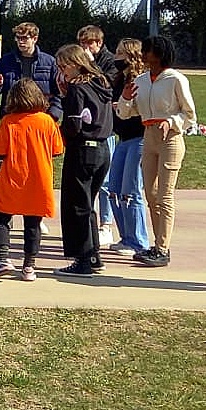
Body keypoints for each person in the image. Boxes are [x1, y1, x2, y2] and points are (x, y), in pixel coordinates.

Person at [115, 34, 197, 268]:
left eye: (149, 51)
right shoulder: (141, 80)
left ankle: (163, 247)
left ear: (159, 54)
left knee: (165, 194)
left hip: (170, 138)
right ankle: (156, 245)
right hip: (148, 136)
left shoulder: (175, 79)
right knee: (150, 193)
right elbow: (125, 113)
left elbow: (189, 115)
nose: (144, 55)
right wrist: (125, 98)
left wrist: (171, 122)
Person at [0, 80, 63, 281]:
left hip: (13, 177)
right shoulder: (47, 121)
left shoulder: (9, 121)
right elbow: (57, 150)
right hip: (39, 179)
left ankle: (3, 257)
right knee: (33, 222)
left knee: (0, 216)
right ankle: (29, 266)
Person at [52, 44, 114, 278]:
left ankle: (83, 259)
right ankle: (94, 255)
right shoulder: (102, 84)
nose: (62, 71)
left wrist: (63, 124)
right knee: (87, 204)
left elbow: (74, 125)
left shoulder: (78, 89)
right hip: (102, 150)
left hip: (83, 150)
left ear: (77, 63)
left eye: (64, 66)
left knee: (76, 204)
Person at [106, 37, 151, 256]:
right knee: (113, 189)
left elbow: (141, 108)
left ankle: (138, 240)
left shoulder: (141, 81)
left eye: (120, 53)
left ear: (131, 56)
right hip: (122, 138)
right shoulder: (118, 80)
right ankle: (126, 237)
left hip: (139, 138)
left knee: (131, 190)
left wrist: (124, 104)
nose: (116, 57)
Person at [77, 25, 120, 250]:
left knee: (104, 181)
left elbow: (105, 86)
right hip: (88, 129)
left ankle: (106, 224)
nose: (85, 47)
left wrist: (88, 66)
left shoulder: (109, 63)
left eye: (89, 43)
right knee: (89, 181)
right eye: (82, 43)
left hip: (105, 129)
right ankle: (88, 224)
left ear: (99, 44)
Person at [0, 21, 62, 121]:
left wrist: (52, 115)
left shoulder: (50, 62)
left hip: (41, 119)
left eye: (24, 38)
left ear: (35, 39)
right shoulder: (5, 62)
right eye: (18, 38)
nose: (20, 42)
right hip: (13, 120)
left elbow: (58, 93)